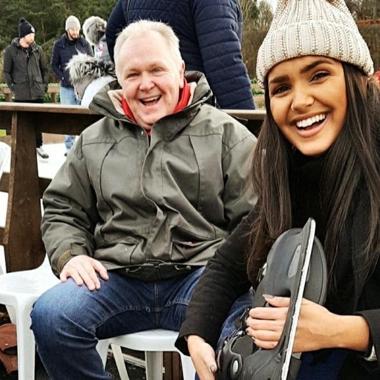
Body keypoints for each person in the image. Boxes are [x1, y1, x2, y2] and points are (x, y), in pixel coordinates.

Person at [30, 20, 256, 379]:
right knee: (51, 316)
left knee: (242, 335)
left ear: (180, 71)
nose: (145, 84)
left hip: (201, 277)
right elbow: (62, 208)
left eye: (156, 69)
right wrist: (70, 254)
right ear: (119, 79)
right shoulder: (93, 140)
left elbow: (256, 218)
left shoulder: (227, 135)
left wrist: (228, 276)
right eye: (132, 74)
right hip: (115, 278)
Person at [176, 0, 380, 379]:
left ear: (356, 79)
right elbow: (228, 262)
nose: (300, 101)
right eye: (281, 87)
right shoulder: (289, 174)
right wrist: (197, 335)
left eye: (318, 75)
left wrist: (342, 330)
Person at [105, 0, 255, 110]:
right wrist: (251, 126)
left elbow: (113, 33)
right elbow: (224, 64)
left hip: (144, 113)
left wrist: (133, 76)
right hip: (192, 110)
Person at [3, 18, 49, 159]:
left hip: (37, 92)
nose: (33, 37)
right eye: (31, 34)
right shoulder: (11, 51)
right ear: (24, 35)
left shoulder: (38, 49)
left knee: (37, 123)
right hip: (21, 94)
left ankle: (39, 146)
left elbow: (45, 69)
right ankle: (22, 150)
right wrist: (13, 87)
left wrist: (44, 85)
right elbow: (6, 71)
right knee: (21, 124)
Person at [51, 15, 93, 155]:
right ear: (67, 29)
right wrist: (63, 76)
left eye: (77, 29)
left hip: (82, 86)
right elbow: (54, 65)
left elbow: (92, 62)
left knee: (83, 116)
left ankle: (83, 145)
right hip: (67, 87)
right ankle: (69, 148)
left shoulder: (84, 44)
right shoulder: (59, 45)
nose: (75, 32)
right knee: (68, 116)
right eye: (73, 29)